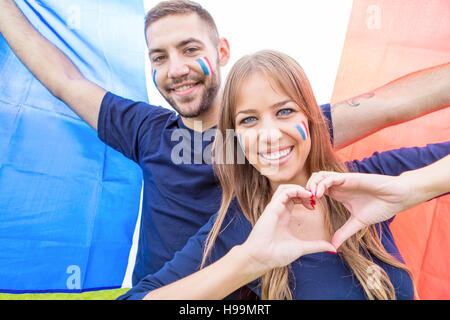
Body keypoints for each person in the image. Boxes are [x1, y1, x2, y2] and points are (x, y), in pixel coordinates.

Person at [0, 0, 449, 293]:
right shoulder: (145, 129)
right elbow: (65, 81)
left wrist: (411, 188)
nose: (176, 68)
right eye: (159, 57)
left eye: (189, 48)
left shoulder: (285, 135)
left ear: (221, 51)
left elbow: (392, 103)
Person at [118, 51, 450, 300]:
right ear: (236, 139)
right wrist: (247, 263)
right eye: (249, 120)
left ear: (312, 116)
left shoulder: (368, 179)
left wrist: (407, 189)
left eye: (285, 111)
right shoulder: (239, 227)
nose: (270, 134)